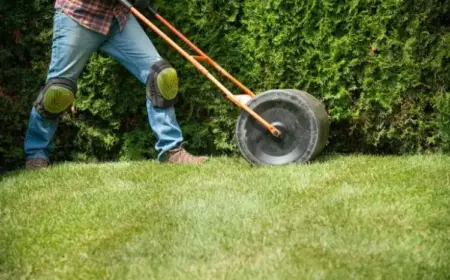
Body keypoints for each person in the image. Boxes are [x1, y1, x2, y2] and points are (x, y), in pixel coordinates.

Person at [24, 0, 208, 169]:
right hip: (78, 15)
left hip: (118, 17)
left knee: (161, 75)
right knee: (57, 91)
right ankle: (36, 153)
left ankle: (171, 151)